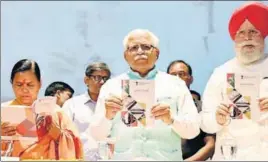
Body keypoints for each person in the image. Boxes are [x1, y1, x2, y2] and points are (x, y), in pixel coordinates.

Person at [89, 29, 200, 161]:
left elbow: (193, 131)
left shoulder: (176, 85)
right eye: (134, 48)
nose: (140, 51)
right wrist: (107, 116)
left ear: (157, 53)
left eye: (146, 47)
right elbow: (97, 136)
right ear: (125, 55)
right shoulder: (111, 86)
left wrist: (171, 119)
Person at [200, 2, 268, 160]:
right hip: (231, 154)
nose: (247, 37)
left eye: (253, 31)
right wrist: (217, 118)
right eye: (241, 33)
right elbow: (205, 122)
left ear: (263, 37)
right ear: (234, 39)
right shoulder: (220, 73)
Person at [1, 59, 83, 160]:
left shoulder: (56, 113)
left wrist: (58, 134)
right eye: (19, 85)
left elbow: (75, 145)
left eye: (30, 85)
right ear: (11, 84)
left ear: (40, 84)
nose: (25, 90)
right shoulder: (3, 111)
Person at [167, 60, 215, 161]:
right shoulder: (157, 105)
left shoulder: (202, 107)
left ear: (190, 79)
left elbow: (210, 145)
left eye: (181, 74)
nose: (177, 78)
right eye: (173, 75)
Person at [62, 61, 111, 160]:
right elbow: (62, 135)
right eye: (97, 77)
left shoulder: (114, 106)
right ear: (86, 80)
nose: (102, 82)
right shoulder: (72, 105)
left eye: (105, 78)